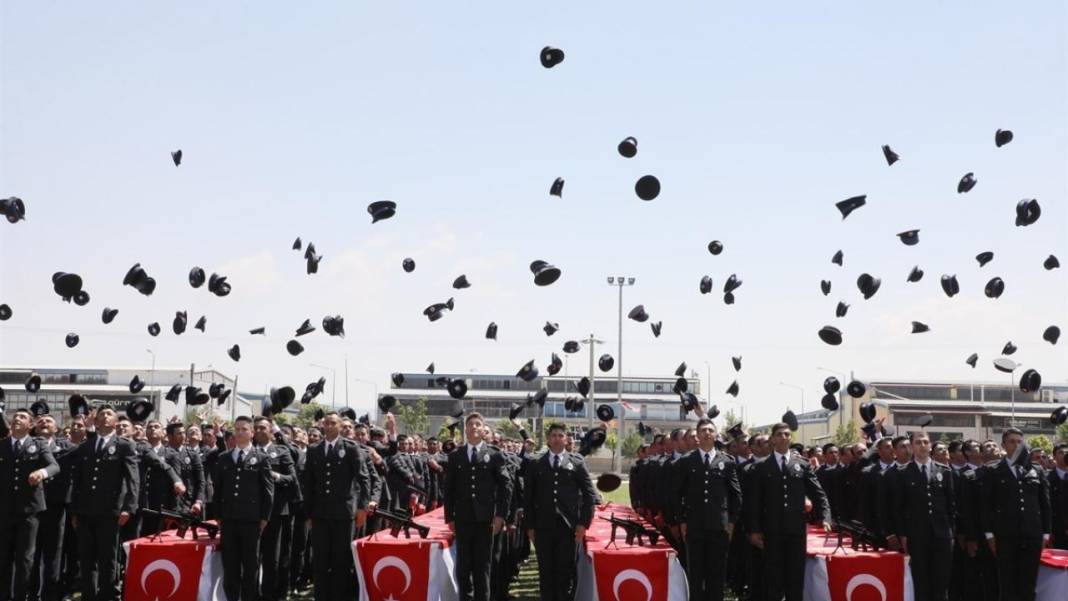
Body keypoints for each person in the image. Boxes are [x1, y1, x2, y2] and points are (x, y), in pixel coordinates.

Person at [748, 422, 830, 601]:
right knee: (773, 580)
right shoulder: (761, 467)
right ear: (773, 439)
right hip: (772, 531)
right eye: (779, 434)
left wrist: (825, 517)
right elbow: (754, 502)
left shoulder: (802, 464)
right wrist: (754, 529)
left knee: (795, 579)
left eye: (787, 434)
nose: (784, 437)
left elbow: (818, 493)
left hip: (796, 531)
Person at [69, 406, 139, 601]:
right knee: (87, 557)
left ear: (116, 422)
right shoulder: (86, 446)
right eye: (101, 415)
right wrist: (74, 511)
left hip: (110, 511)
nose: (105, 417)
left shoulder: (124, 445)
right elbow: (78, 481)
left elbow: (133, 478)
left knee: (108, 558)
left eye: (109, 414)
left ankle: (108, 595)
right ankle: (89, 595)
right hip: (85, 511)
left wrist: (129, 507)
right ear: (96, 422)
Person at [302, 411, 372, 601]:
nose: (329, 426)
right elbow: (308, 484)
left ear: (341, 426)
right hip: (320, 514)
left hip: (343, 513)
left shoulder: (350, 448)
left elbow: (363, 479)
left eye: (333, 423)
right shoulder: (314, 450)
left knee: (341, 559)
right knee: (320, 560)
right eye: (326, 423)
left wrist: (362, 508)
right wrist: (307, 513)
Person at [522, 422, 596, 601]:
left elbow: (590, 495)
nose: (556, 439)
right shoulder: (535, 463)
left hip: (567, 527)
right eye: (553, 435)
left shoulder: (576, 462)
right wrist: (529, 525)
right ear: (548, 439)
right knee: (546, 571)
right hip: (542, 526)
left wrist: (583, 524)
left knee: (564, 572)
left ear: (566, 439)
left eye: (560, 435)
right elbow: (528, 498)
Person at [444, 412, 513, 601]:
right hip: (463, 520)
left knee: (483, 568)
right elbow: (448, 489)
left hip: (486, 521)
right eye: (470, 424)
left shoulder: (494, 455)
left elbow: (506, 486)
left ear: (483, 430)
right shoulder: (456, 456)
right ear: (465, 429)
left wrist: (500, 515)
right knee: (463, 569)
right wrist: (449, 517)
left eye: (477, 424)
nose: (473, 427)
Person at [673, 418, 742, 601]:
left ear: (715, 434)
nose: (707, 433)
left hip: (719, 528)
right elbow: (676, 494)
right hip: (694, 527)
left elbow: (736, 495)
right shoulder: (687, 461)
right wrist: (682, 521)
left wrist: (732, 522)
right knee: (695, 574)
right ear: (697, 435)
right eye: (703, 430)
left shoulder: (727, 461)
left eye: (710, 430)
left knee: (717, 575)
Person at [980, 428, 1051, 601]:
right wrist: (989, 535)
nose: (1016, 445)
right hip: (1005, 536)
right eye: (1012, 441)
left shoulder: (1037, 470)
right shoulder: (993, 471)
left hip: (1032, 535)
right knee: (1007, 586)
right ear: (1003, 445)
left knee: (1028, 585)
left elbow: (1045, 504)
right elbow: (985, 505)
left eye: (1019, 441)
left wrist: (1045, 533)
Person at [0, 407, 61, 601]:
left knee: (25, 559)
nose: (17, 419)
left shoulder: (39, 444)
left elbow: (54, 466)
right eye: (15, 416)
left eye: (23, 417)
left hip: (29, 511)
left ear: (31, 425)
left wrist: (41, 473)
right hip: (4, 510)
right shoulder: (2, 445)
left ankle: (21, 597)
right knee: (3, 558)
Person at [213, 416, 274, 601]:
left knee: (250, 566)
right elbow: (218, 489)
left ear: (252, 433)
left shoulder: (261, 458)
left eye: (244, 429)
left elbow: (268, 491)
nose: (240, 433)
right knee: (230, 565)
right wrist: (218, 516)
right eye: (237, 429)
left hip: (251, 521)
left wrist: (264, 518)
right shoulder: (224, 458)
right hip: (229, 521)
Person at [889, 430, 954, 601]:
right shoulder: (903, 473)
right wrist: (903, 534)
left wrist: (951, 532)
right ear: (911, 447)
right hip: (917, 535)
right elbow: (898, 508)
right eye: (918, 442)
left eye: (925, 442)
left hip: (941, 535)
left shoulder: (944, 471)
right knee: (921, 581)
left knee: (941, 582)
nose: (923, 445)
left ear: (930, 445)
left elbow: (951, 505)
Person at [253, 416, 298, 601]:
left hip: (276, 512)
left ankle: (270, 595)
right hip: (253, 511)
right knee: (253, 557)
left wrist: (276, 476)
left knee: (272, 557)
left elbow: (292, 478)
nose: (259, 431)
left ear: (271, 431)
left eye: (263, 427)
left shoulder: (281, 451)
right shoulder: (249, 452)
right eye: (256, 428)